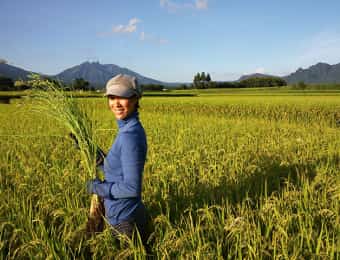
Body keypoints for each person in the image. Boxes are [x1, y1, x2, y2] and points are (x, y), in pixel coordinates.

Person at [87, 74, 151, 248]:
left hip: (124, 222)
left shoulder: (130, 135)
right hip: (121, 216)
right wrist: (91, 150)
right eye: (112, 97)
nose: (116, 103)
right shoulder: (128, 129)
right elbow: (117, 168)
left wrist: (96, 188)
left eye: (122, 96)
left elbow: (131, 188)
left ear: (136, 98)